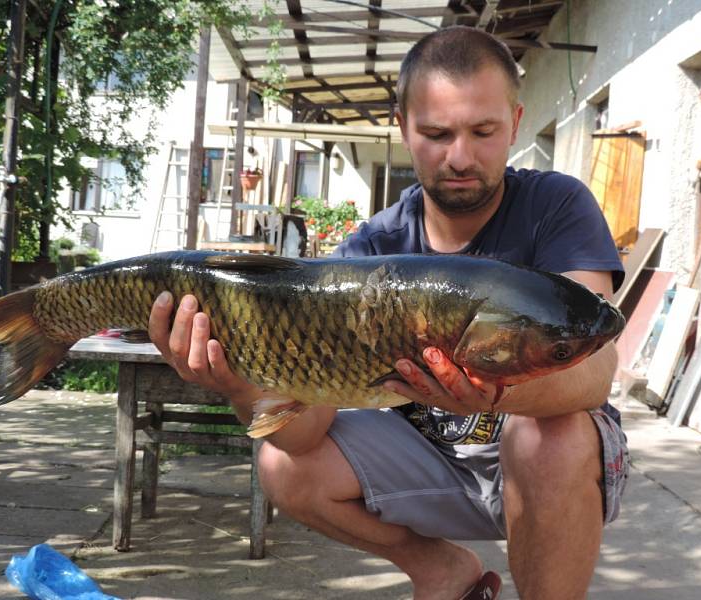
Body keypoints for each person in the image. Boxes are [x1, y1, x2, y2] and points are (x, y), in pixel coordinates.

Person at [148, 26, 629, 600]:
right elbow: (303, 436)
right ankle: (441, 571)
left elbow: (593, 368)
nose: (460, 157)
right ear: (402, 127)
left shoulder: (558, 205)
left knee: (548, 440)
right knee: (280, 465)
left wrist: (491, 393)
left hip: (552, 473)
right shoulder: (370, 250)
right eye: (436, 133)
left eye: (483, 131)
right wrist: (240, 383)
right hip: (427, 466)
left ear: (516, 122)